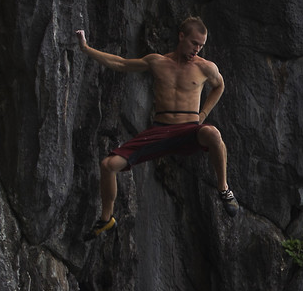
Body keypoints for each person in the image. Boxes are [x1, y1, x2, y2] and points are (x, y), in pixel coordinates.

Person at [76, 15, 239, 235]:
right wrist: (86, 49)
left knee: (213, 134)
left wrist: (203, 114)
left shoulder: (205, 68)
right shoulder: (157, 62)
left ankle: (224, 188)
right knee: (108, 165)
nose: (197, 49)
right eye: (194, 43)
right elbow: (121, 63)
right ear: (181, 36)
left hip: (189, 129)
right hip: (160, 130)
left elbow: (219, 86)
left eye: (201, 45)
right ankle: (106, 219)